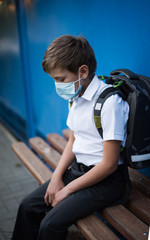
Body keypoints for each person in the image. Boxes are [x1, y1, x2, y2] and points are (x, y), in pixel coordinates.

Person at [12, 35, 129, 240]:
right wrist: (57, 178)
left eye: (60, 79)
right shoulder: (75, 97)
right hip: (78, 171)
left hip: (107, 182)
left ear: (82, 71)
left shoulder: (110, 103)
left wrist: (67, 191)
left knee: (50, 226)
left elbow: (109, 165)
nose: (58, 85)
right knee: (27, 207)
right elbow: (73, 141)